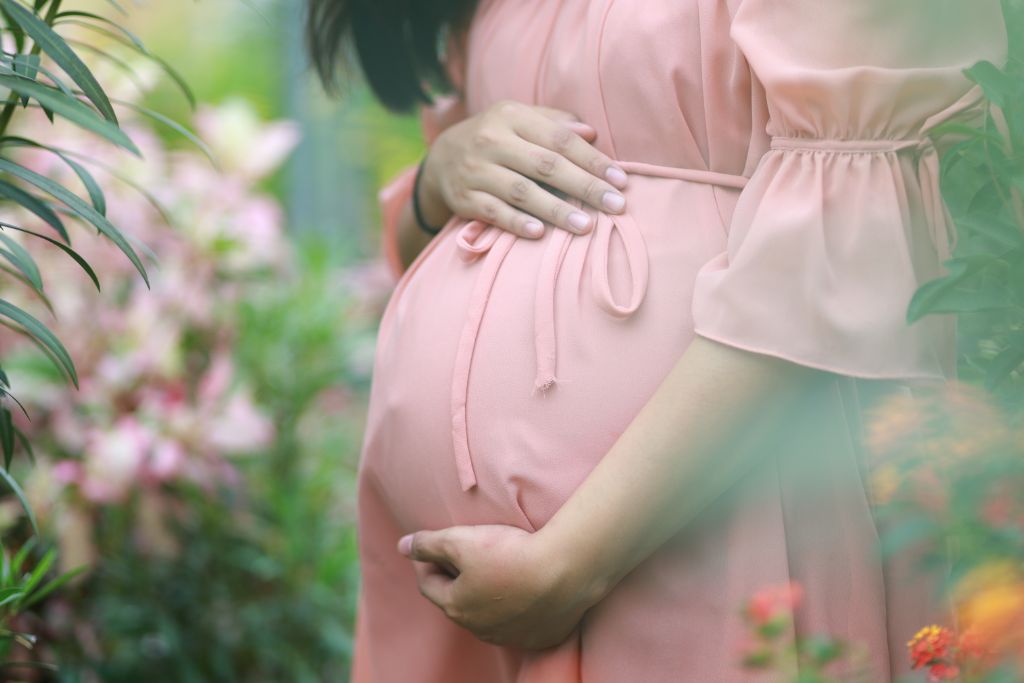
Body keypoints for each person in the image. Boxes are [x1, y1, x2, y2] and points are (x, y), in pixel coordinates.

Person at [306, 0, 1008, 680]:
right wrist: (439, 174)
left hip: (712, 515)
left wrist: (570, 564)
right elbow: (425, 247)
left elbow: (852, 255)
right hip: (464, 611)